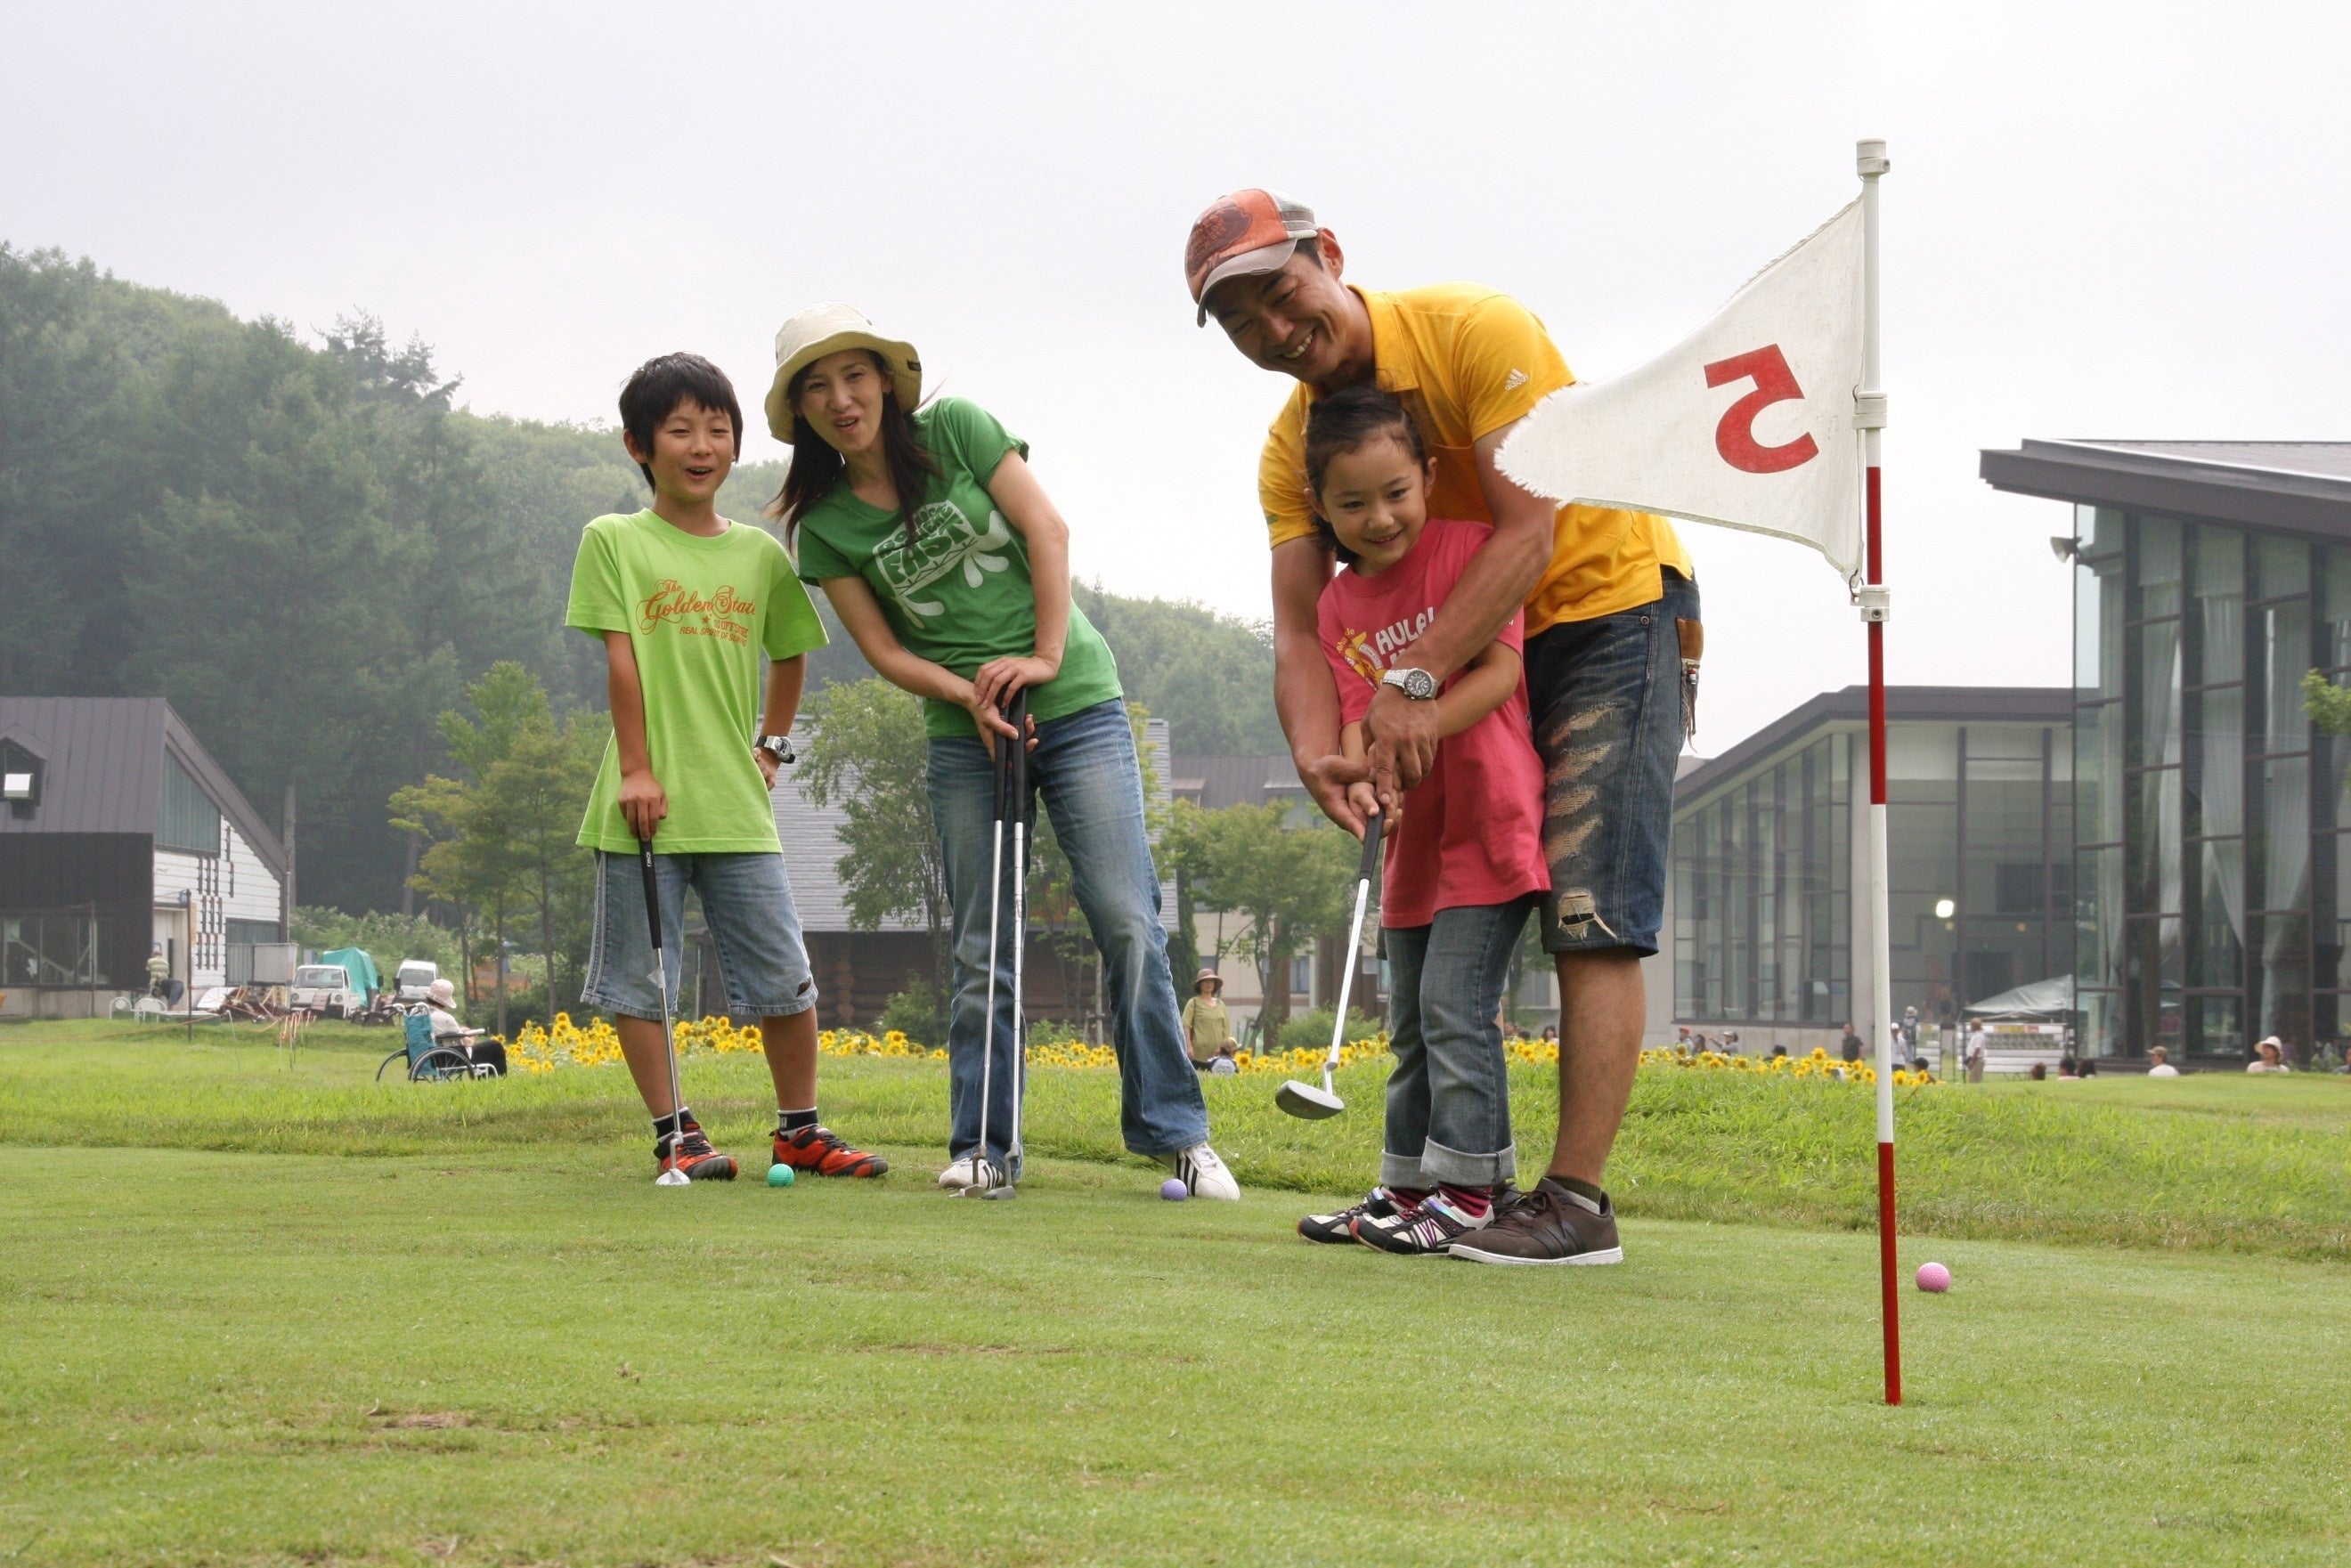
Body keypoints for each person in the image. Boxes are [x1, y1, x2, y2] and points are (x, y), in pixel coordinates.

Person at [1190, 189, 1696, 1265]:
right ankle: (1440, 1183)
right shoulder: (1295, 450)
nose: (1275, 332)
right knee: (1428, 972)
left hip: (1608, 605)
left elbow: (1529, 528)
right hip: (1463, 662)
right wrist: (1322, 753)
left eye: (1281, 295)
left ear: (1329, 255)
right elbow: (1297, 630)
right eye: (1241, 325)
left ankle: (1574, 1202)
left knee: (1589, 900)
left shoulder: (1476, 331)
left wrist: (1411, 681)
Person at [773, 304, 1237, 1200]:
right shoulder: (825, 525)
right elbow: (883, 649)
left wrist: (1046, 657)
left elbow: (1047, 531)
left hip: (1079, 704)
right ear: (801, 411)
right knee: (984, 944)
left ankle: (1175, 1133)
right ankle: (987, 1149)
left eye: (854, 375)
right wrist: (969, 695)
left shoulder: (957, 430)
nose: (842, 398)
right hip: (965, 736)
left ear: (886, 379)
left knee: (1128, 919)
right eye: (818, 387)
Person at [568, 352, 886, 1184]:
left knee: (787, 976)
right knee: (643, 983)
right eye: (680, 430)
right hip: (643, 807)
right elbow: (621, 660)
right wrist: (637, 770)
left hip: (738, 804)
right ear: (641, 445)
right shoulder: (615, 540)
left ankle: (800, 1131)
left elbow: (792, 655)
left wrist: (771, 746)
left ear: (738, 444)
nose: (701, 445)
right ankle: (676, 1133)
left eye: (718, 429)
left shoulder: (760, 557)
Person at [1282, 387, 1553, 1258]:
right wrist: (1364, 778)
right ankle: (1406, 1187)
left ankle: (1472, 1192)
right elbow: (1363, 717)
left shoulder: (1472, 553)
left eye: (1396, 492)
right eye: (1352, 503)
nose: (1379, 518)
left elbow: (1501, 675)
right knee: (1408, 1022)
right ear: (1320, 507)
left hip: (1487, 821)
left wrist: (1421, 719)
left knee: (1452, 1010)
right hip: (1411, 846)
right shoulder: (1334, 606)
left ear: (1430, 476)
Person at [1181, 969, 1232, 1070]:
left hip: (1218, 1056)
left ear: (1215, 984)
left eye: (1211, 981)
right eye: (1205, 981)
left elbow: (1226, 1029)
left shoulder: (1220, 1004)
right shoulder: (1193, 1003)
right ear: (1200, 984)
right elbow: (1186, 1025)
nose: (1208, 983)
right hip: (1198, 1055)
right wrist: (1189, 1047)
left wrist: (1224, 1049)